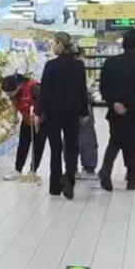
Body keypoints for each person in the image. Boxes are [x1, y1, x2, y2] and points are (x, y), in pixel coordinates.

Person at [98, 28, 135, 190]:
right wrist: (128, 104)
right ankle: (132, 179)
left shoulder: (110, 63)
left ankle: (105, 171)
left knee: (115, 141)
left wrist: (115, 103)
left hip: (115, 111)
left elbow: (103, 87)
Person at [37, 33, 88, 199]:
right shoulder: (79, 65)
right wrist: (84, 112)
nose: (52, 46)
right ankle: (69, 178)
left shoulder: (51, 65)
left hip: (53, 112)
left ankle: (55, 186)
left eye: (54, 43)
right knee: (72, 146)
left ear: (60, 44)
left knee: (56, 148)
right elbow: (82, 90)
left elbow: (44, 92)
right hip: (72, 111)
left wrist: (39, 112)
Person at [5, 74, 44, 181]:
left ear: (18, 86)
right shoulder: (13, 93)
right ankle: (18, 170)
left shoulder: (34, 88)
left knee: (38, 146)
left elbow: (45, 101)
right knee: (22, 145)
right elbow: (14, 105)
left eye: (10, 93)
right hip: (26, 121)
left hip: (41, 123)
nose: (9, 95)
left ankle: (33, 171)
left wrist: (38, 115)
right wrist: (14, 118)